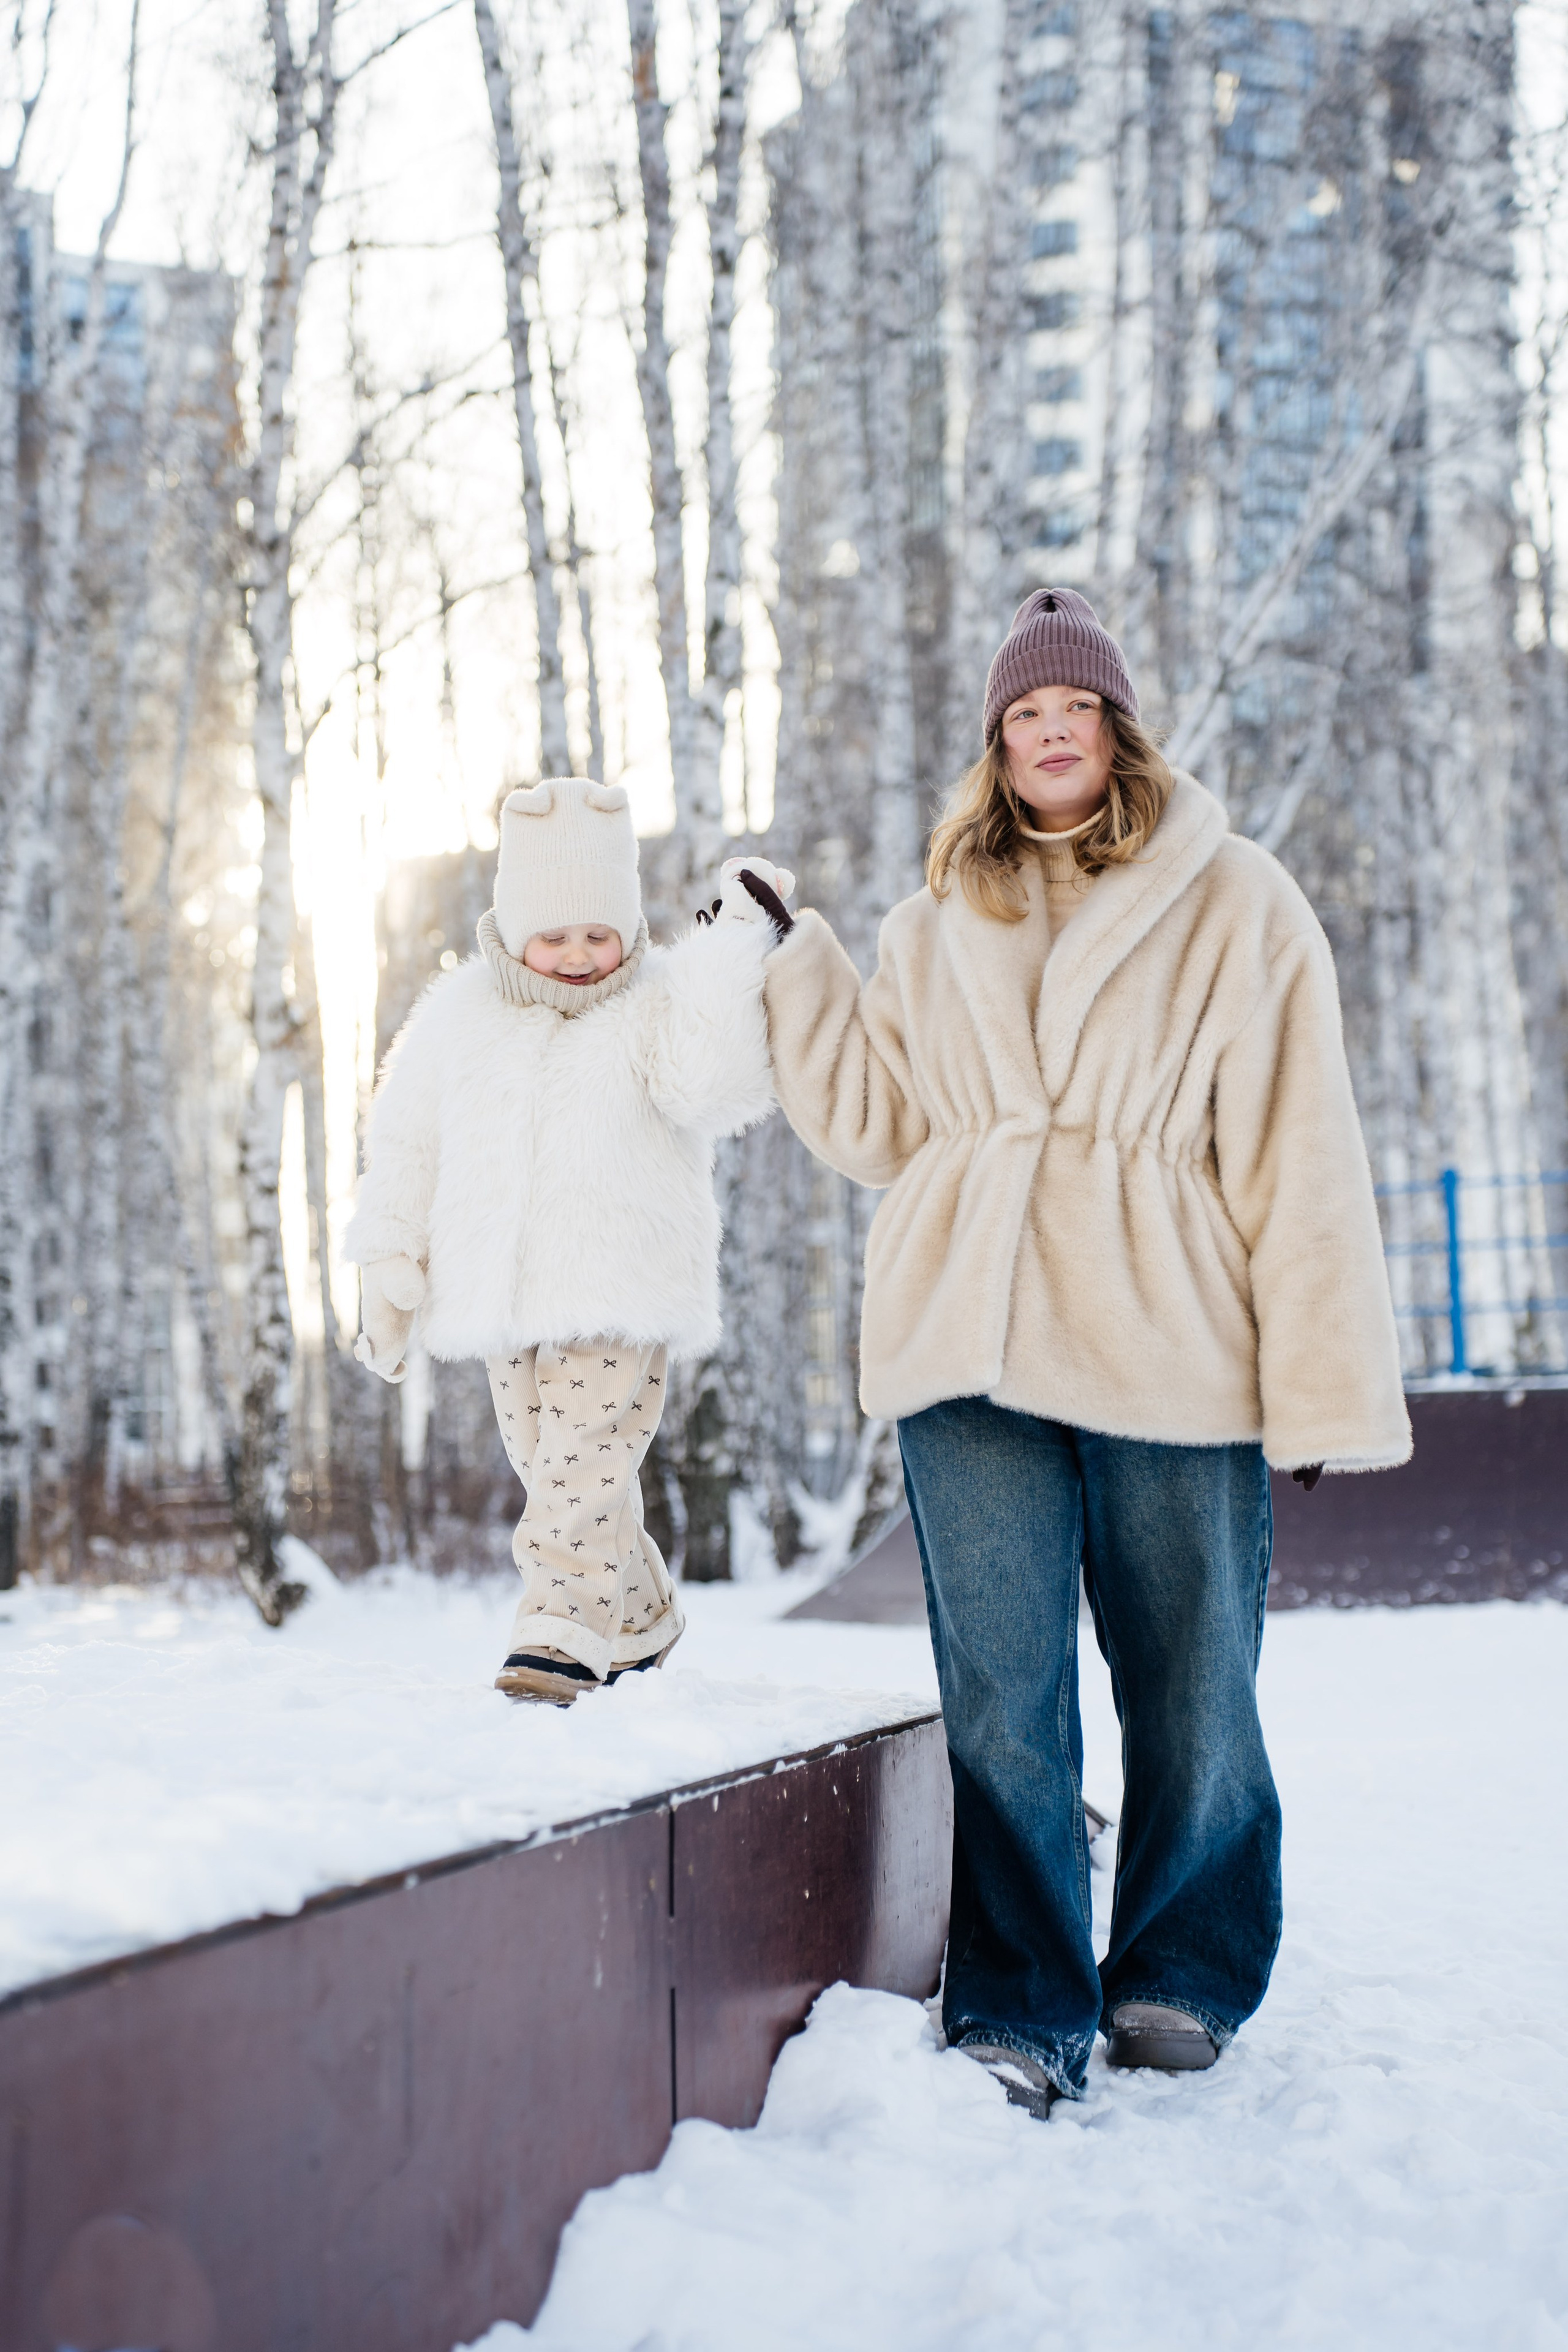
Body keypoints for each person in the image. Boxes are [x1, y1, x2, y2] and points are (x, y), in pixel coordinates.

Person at [737, 587, 1410, 2115]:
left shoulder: (1236, 901)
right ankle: (1022, 2004)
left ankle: (1180, 1973)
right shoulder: (933, 922)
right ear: (996, 745)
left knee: (1191, 1679)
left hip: (1166, 1342)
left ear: (1118, 730)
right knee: (999, 1695)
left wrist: (1318, 1385)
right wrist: (797, 964)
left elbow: (1298, 1153)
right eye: (1023, 716)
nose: (1050, 734)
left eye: (1076, 710)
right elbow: (875, 1128)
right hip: (962, 1344)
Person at [345, 776, 788, 1704]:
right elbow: (407, 1139)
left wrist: (734, 946)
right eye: (555, 936)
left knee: (581, 1465)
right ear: (513, 930)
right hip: (500, 1295)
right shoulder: (460, 1016)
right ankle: (641, 1614)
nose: (580, 955)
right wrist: (390, 1260)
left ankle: (559, 1633)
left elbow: (715, 1081)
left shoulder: (653, 1004)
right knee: (552, 1465)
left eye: (600, 933)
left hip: (621, 1283)